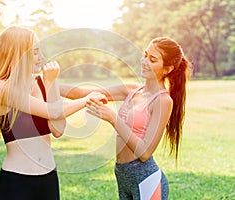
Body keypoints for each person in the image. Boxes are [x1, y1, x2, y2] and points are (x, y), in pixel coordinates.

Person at [60, 37, 192, 199]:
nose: (144, 61)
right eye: (145, 55)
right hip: (122, 174)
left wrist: (113, 119)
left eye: (152, 59)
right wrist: (45, 83)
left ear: (167, 69)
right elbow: (81, 94)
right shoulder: (131, 90)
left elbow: (144, 153)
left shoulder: (163, 101)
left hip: (146, 180)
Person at [0, 26, 107, 200]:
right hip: (17, 182)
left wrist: (51, 84)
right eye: (35, 52)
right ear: (17, 55)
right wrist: (87, 100)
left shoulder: (41, 82)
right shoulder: (1, 88)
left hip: (49, 179)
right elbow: (54, 111)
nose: (41, 57)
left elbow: (58, 129)